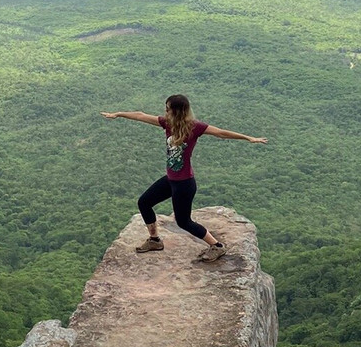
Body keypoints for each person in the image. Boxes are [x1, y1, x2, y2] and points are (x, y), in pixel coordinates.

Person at [100, 94, 267, 261]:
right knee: (144, 202)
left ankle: (217, 246)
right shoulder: (167, 124)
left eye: (168, 109)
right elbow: (140, 115)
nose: (165, 112)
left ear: (177, 111)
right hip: (171, 180)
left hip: (184, 184)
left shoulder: (195, 127)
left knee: (184, 221)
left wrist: (248, 138)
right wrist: (118, 114)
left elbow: (221, 133)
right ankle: (155, 240)